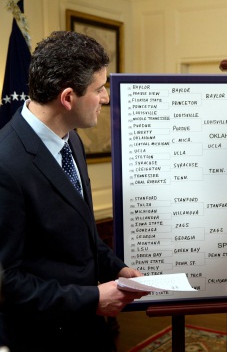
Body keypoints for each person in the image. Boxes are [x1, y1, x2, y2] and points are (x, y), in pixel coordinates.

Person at [0, 31, 147, 352]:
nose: (106, 97)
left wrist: (117, 268)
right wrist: (92, 297)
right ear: (68, 98)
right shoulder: (5, 163)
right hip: (39, 337)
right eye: (99, 89)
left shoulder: (71, 139)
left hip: (86, 329)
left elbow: (81, 233)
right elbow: (6, 282)